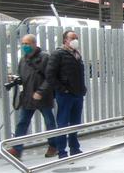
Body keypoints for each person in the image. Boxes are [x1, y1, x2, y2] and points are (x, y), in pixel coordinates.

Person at [6, 34, 58, 159]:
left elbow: (49, 77)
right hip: (27, 96)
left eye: (27, 43)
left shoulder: (45, 57)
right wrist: (15, 79)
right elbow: (21, 75)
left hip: (42, 96)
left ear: (35, 44)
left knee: (49, 122)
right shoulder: (23, 59)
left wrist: (40, 92)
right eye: (23, 43)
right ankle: (17, 149)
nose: (25, 46)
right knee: (22, 122)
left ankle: (54, 145)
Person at [46, 30, 86, 159]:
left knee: (75, 122)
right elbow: (50, 75)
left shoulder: (76, 55)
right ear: (65, 40)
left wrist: (82, 88)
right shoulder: (58, 54)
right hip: (65, 95)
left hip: (77, 94)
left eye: (76, 38)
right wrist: (62, 89)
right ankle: (62, 151)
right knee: (63, 123)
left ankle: (75, 147)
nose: (75, 40)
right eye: (72, 38)